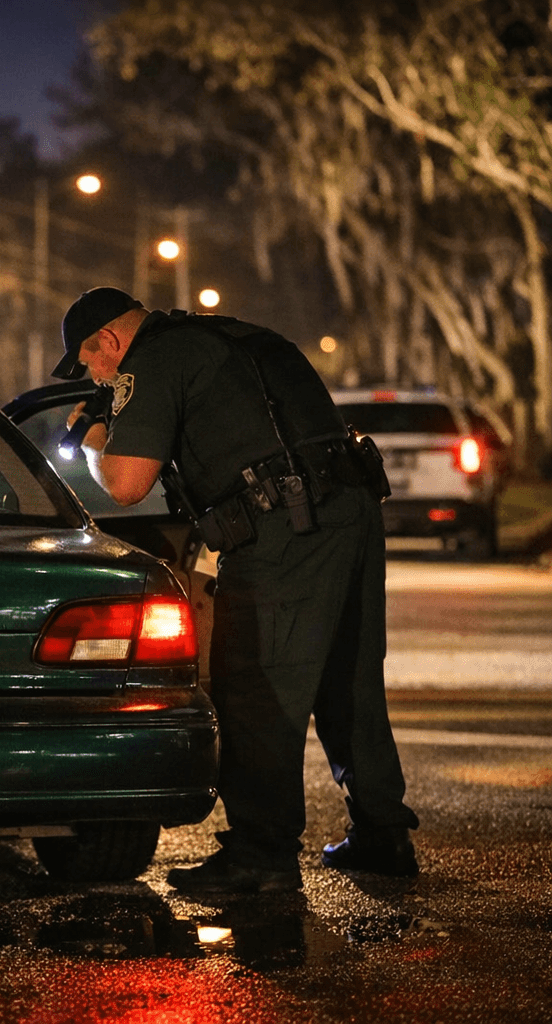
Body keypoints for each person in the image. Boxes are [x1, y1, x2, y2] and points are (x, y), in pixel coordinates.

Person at [54, 286, 419, 894]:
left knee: (254, 683)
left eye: (90, 361)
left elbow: (124, 484)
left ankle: (260, 856)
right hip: (349, 509)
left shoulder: (155, 360)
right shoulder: (236, 333)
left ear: (110, 341)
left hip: (282, 528)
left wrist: (92, 438)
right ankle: (383, 834)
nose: (94, 375)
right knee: (347, 676)